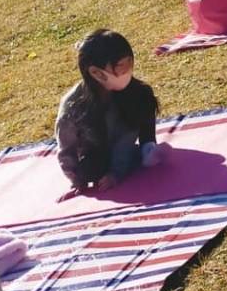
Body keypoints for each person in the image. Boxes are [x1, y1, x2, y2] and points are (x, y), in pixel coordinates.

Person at [55, 30, 168, 194]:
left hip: (123, 144)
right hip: (96, 150)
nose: (127, 72)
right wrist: (76, 181)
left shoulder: (132, 93)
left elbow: (126, 138)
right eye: (120, 67)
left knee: (143, 96)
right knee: (90, 170)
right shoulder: (73, 107)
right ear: (96, 73)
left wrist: (116, 173)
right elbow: (66, 148)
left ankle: (147, 147)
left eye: (129, 64)